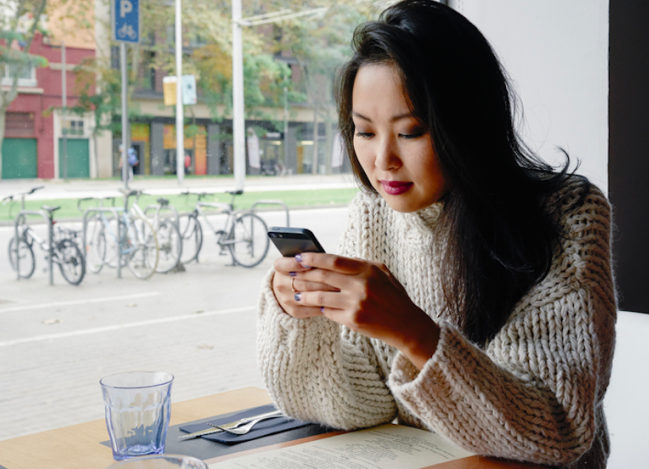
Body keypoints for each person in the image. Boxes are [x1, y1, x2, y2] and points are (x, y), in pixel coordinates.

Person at [256, 2, 616, 468]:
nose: (382, 159)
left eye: (411, 131)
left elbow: (556, 428)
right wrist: (296, 315)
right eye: (364, 132)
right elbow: (356, 407)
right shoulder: (373, 213)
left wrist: (414, 333)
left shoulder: (566, 214)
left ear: (466, 124)